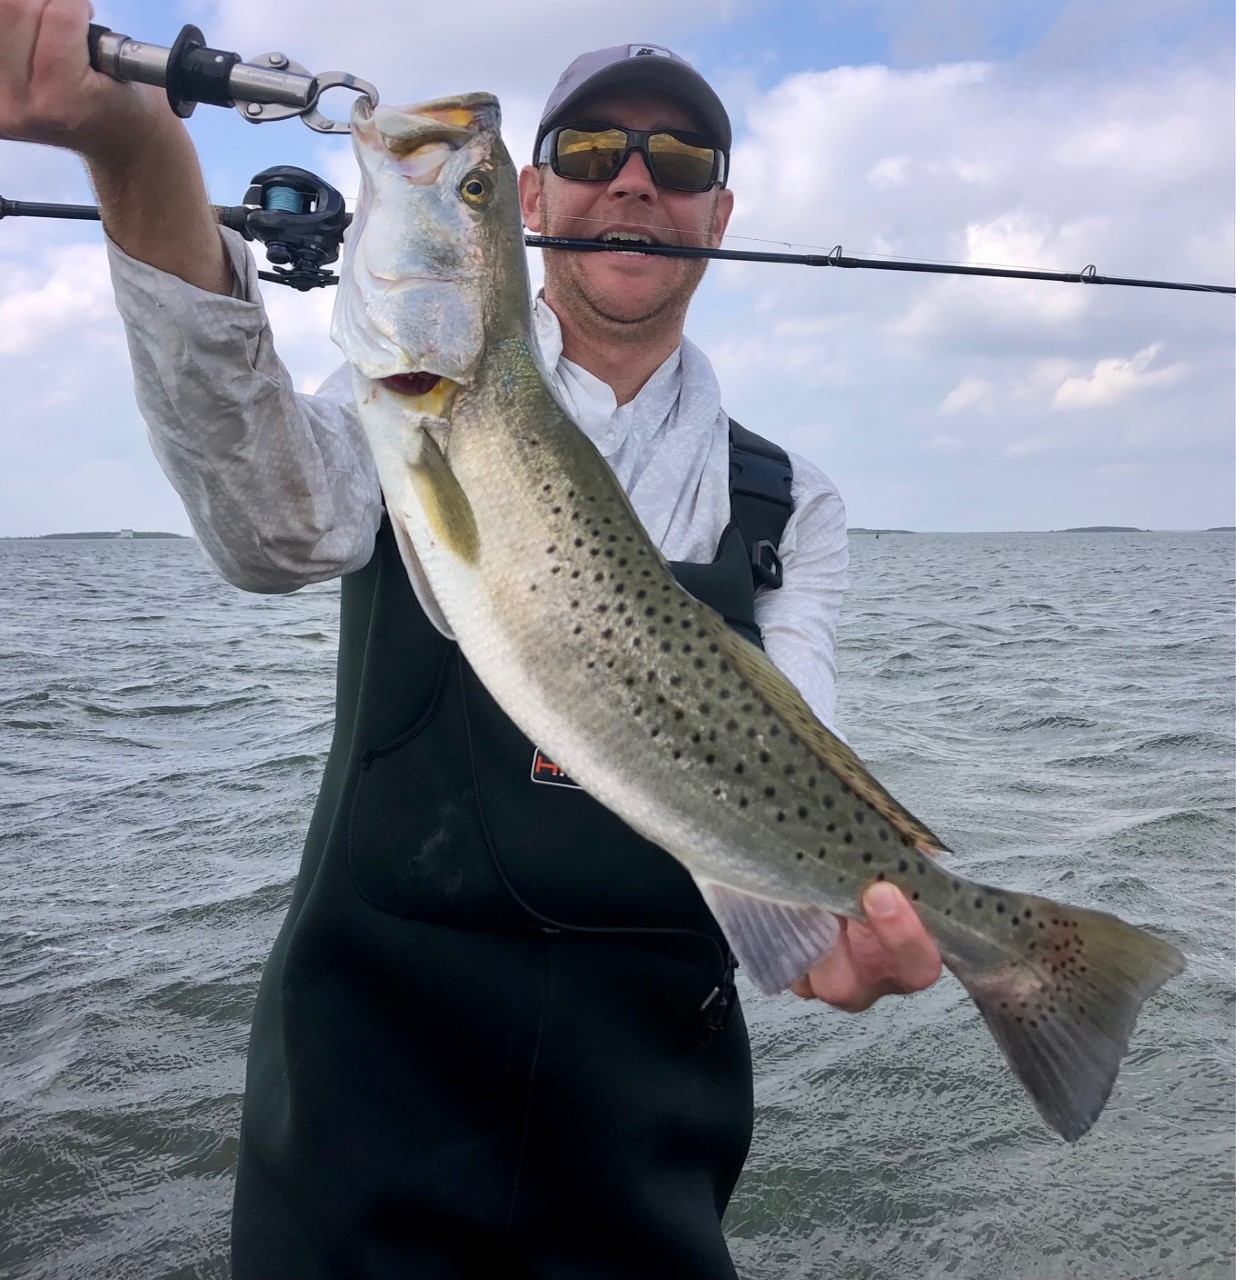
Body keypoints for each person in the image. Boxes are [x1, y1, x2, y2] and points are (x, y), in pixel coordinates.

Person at [1, 6, 942, 1276]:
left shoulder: (790, 504)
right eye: (593, 150)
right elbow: (270, 528)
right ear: (536, 199)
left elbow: (794, 734)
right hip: (363, 1132)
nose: (634, 182)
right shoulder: (400, 414)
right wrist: (137, 154)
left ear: (719, 215)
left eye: (678, 163)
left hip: (645, 1159)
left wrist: (843, 905)